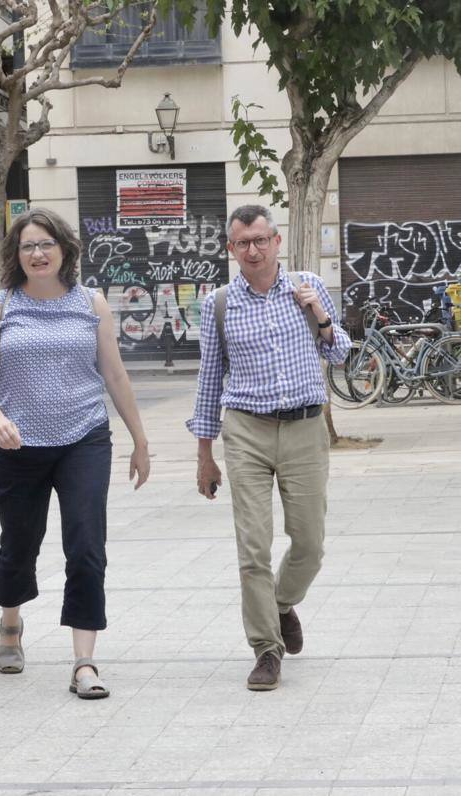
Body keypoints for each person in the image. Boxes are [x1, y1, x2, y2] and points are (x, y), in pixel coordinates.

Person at [0, 207, 150, 699]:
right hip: (17, 443)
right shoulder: (1, 305)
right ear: (17, 255)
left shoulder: (91, 304)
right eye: (28, 246)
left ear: (65, 249)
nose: (38, 253)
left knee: (87, 546)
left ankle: (84, 662)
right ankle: (11, 621)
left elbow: (114, 375)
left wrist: (140, 440)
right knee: (19, 544)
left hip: (84, 438)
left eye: (46, 243)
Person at [187, 204, 350, 691]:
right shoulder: (219, 303)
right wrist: (204, 455)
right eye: (243, 243)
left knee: (310, 544)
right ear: (232, 249)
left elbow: (341, 352)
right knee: (252, 547)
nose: (253, 250)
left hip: (304, 429)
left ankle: (281, 603)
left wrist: (319, 315)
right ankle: (266, 649)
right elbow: (209, 380)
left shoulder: (308, 288)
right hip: (246, 431)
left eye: (261, 240)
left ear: (277, 242)